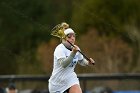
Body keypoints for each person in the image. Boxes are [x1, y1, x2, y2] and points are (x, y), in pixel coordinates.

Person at [48, 22, 95, 93]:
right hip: (57, 83)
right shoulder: (60, 49)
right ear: (63, 38)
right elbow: (64, 64)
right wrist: (73, 53)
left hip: (70, 79)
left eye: (74, 36)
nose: (72, 38)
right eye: (69, 36)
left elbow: (81, 61)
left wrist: (88, 62)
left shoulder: (76, 48)